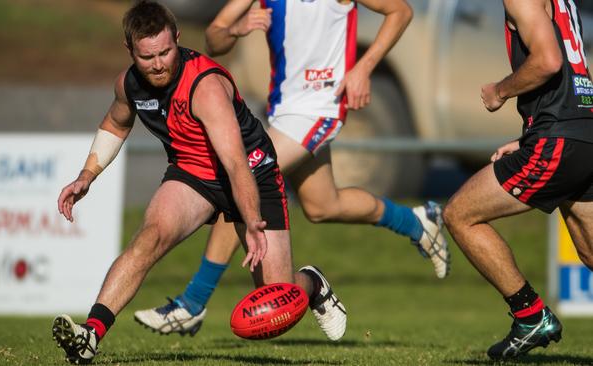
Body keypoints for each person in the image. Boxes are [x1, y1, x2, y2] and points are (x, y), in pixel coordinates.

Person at [134, 0, 450, 340]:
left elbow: (400, 11)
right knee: (323, 205)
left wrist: (364, 67)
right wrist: (234, 31)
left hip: (322, 107)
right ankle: (417, 221)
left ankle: (193, 303)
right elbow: (214, 38)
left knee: (242, 184)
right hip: (283, 111)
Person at [50, 1, 346, 364]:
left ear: (177, 38)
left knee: (275, 303)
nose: (158, 63)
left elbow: (236, 163)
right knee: (149, 238)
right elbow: (116, 123)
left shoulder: (205, 87)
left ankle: (312, 284)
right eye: (147, 57)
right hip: (192, 173)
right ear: (130, 51)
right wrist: (87, 176)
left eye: (165, 51)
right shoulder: (129, 84)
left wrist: (250, 221)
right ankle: (89, 335)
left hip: (251, 171)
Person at [443, 0, 593, 360]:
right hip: (581, 133)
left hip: (560, 139)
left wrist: (500, 90)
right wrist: (530, 135)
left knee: (460, 214)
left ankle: (530, 316)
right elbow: (571, 77)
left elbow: (549, 61)